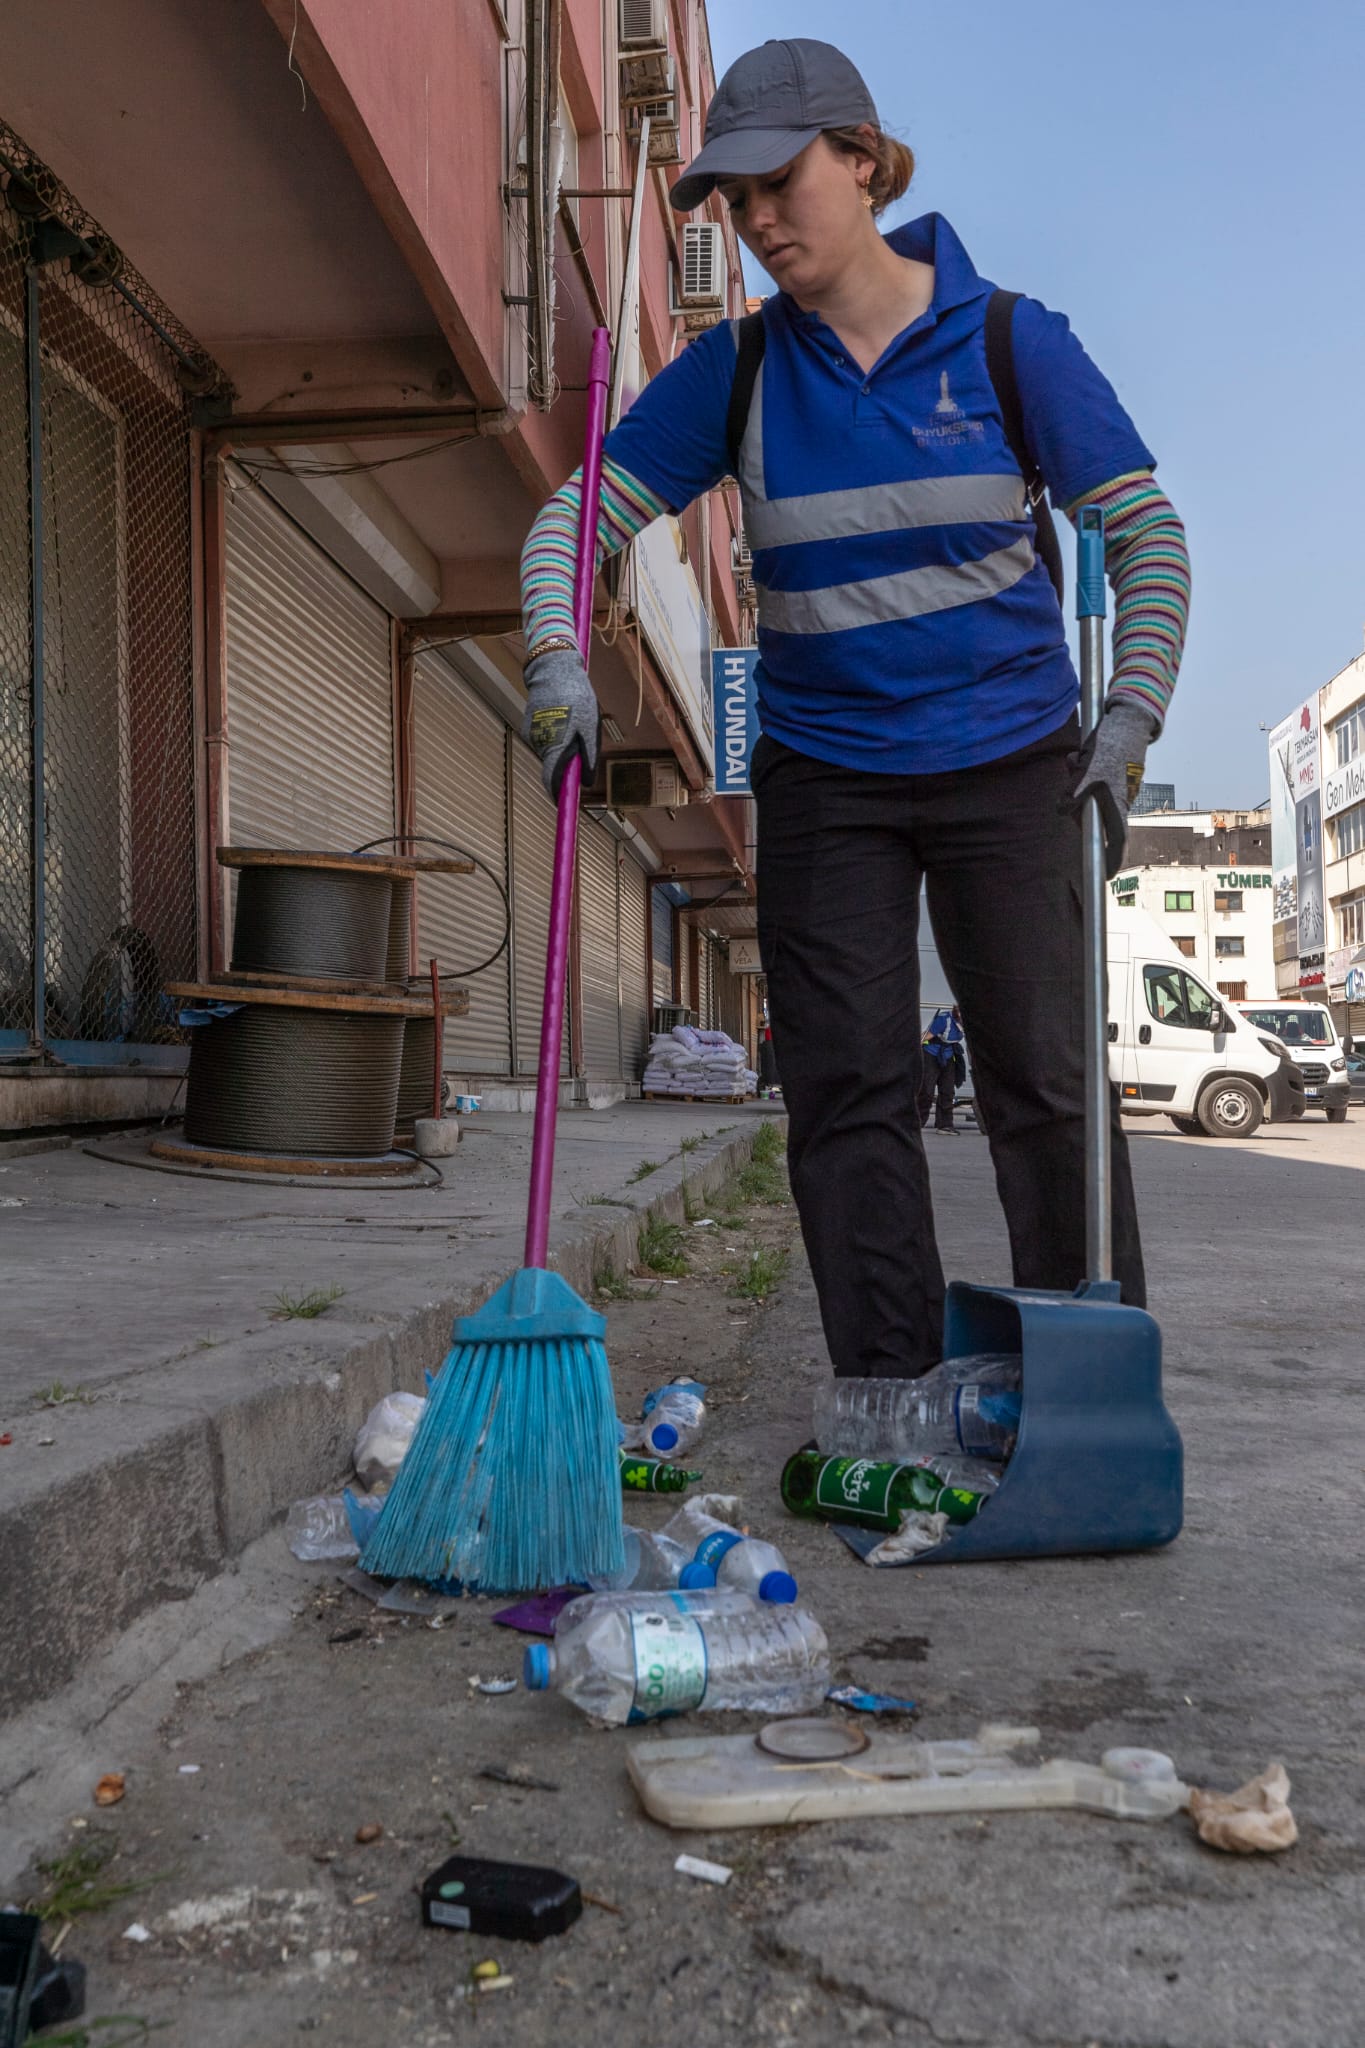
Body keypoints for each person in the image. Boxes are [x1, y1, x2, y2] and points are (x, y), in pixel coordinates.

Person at [517, 39, 1190, 1377]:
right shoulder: (743, 372)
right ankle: (892, 1390)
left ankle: (1077, 1390)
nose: (758, 223)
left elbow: (1144, 532)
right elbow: (573, 514)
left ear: (865, 161)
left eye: (779, 184)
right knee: (845, 1093)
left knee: (1045, 1087)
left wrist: (1131, 721)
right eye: (732, 203)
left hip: (1013, 767)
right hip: (826, 776)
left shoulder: (1009, 342)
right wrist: (551, 659)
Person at [917, 1005, 963, 1134]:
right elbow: (924, 1038)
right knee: (927, 1090)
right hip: (931, 1054)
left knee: (948, 1090)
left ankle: (945, 1125)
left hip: (948, 1055)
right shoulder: (944, 1020)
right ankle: (917, 1123)